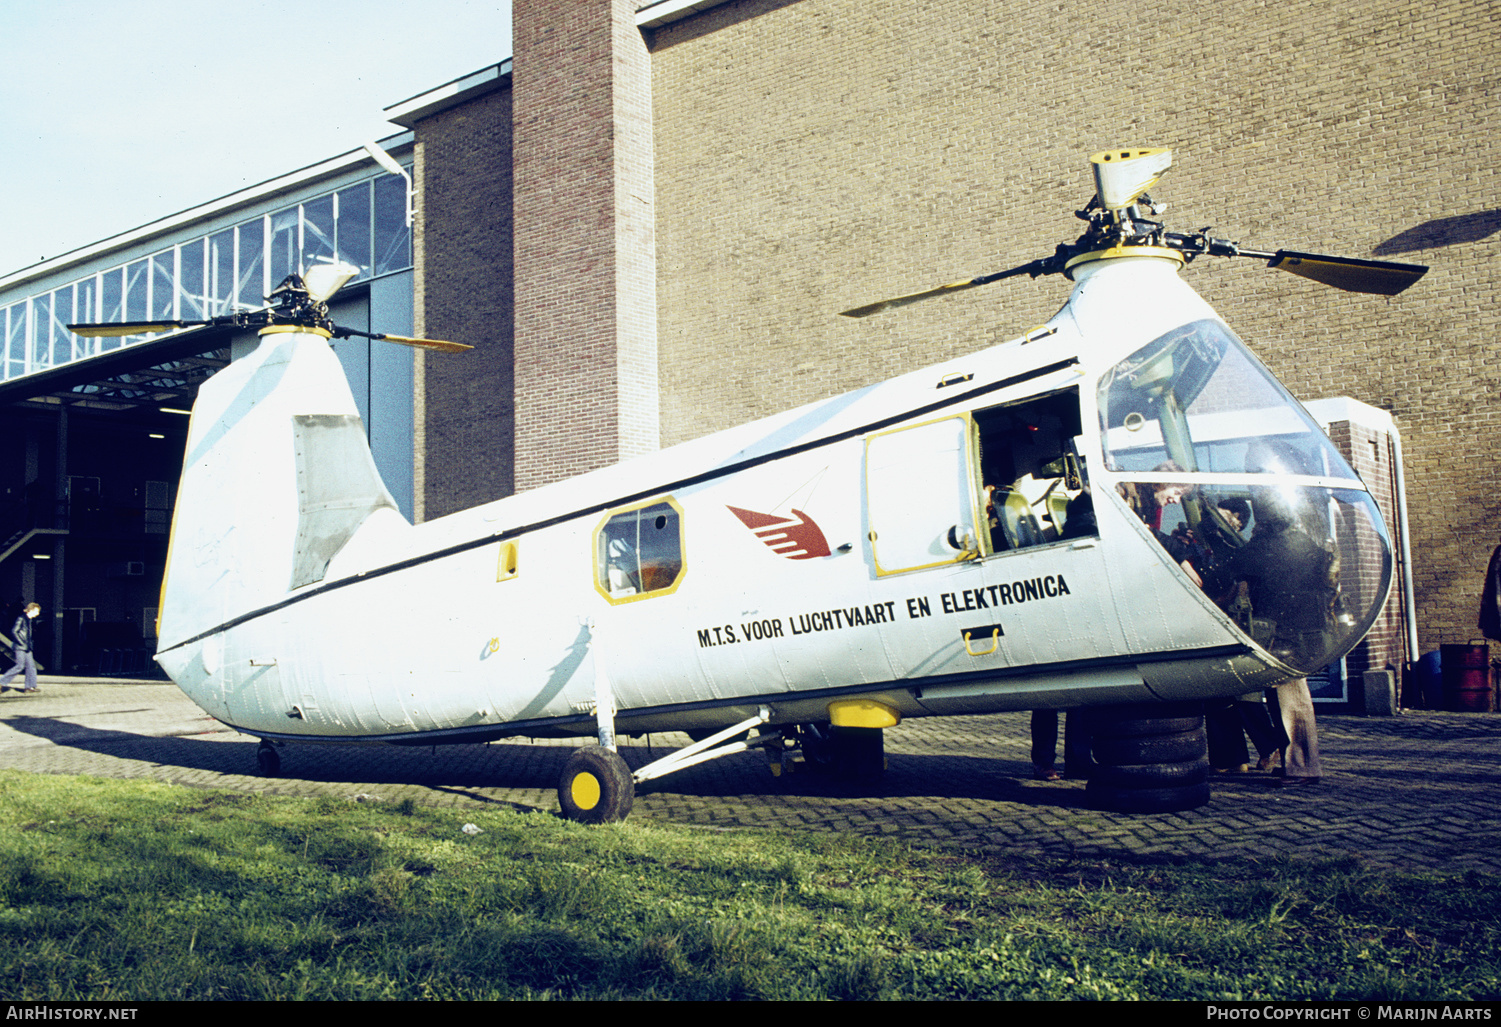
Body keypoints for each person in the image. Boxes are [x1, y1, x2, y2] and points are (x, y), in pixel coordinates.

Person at [0, 602, 41, 694]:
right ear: (31, 610)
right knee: (20, 666)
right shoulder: (21, 618)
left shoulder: (29, 620)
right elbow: (14, 631)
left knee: (31, 666)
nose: (38, 614)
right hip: (20, 647)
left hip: (27, 647)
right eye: (37, 611)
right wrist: (21, 642)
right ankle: (1, 682)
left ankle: (29, 687)